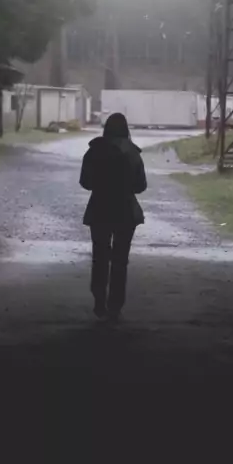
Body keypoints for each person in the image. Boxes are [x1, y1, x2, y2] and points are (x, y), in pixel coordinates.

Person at [79, 113, 147, 320]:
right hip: (125, 210)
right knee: (120, 261)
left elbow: (85, 182)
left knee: (100, 257)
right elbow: (141, 186)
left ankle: (99, 301)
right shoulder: (133, 153)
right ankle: (115, 306)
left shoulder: (94, 151)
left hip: (99, 209)